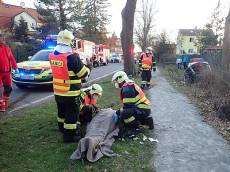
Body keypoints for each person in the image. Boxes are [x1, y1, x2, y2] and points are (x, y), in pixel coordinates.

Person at [49, 29, 90, 143]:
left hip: (58, 92)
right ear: (70, 42)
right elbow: (83, 74)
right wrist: (88, 67)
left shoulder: (52, 55)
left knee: (61, 112)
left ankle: (62, 129)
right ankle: (69, 137)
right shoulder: (72, 57)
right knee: (71, 115)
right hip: (70, 92)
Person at [111, 71, 154, 138]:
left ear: (120, 79)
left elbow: (128, 106)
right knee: (124, 113)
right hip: (143, 108)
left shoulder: (127, 88)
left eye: (116, 80)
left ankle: (135, 128)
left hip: (141, 109)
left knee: (124, 114)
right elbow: (129, 105)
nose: (116, 83)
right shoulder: (128, 85)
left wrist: (118, 112)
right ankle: (147, 121)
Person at [0, 34, 18, 112]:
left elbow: (12, 58)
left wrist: (15, 67)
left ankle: (4, 101)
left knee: (9, 88)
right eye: (2, 38)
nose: (3, 40)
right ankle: (2, 105)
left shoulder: (7, 48)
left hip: (7, 72)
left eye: (4, 38)